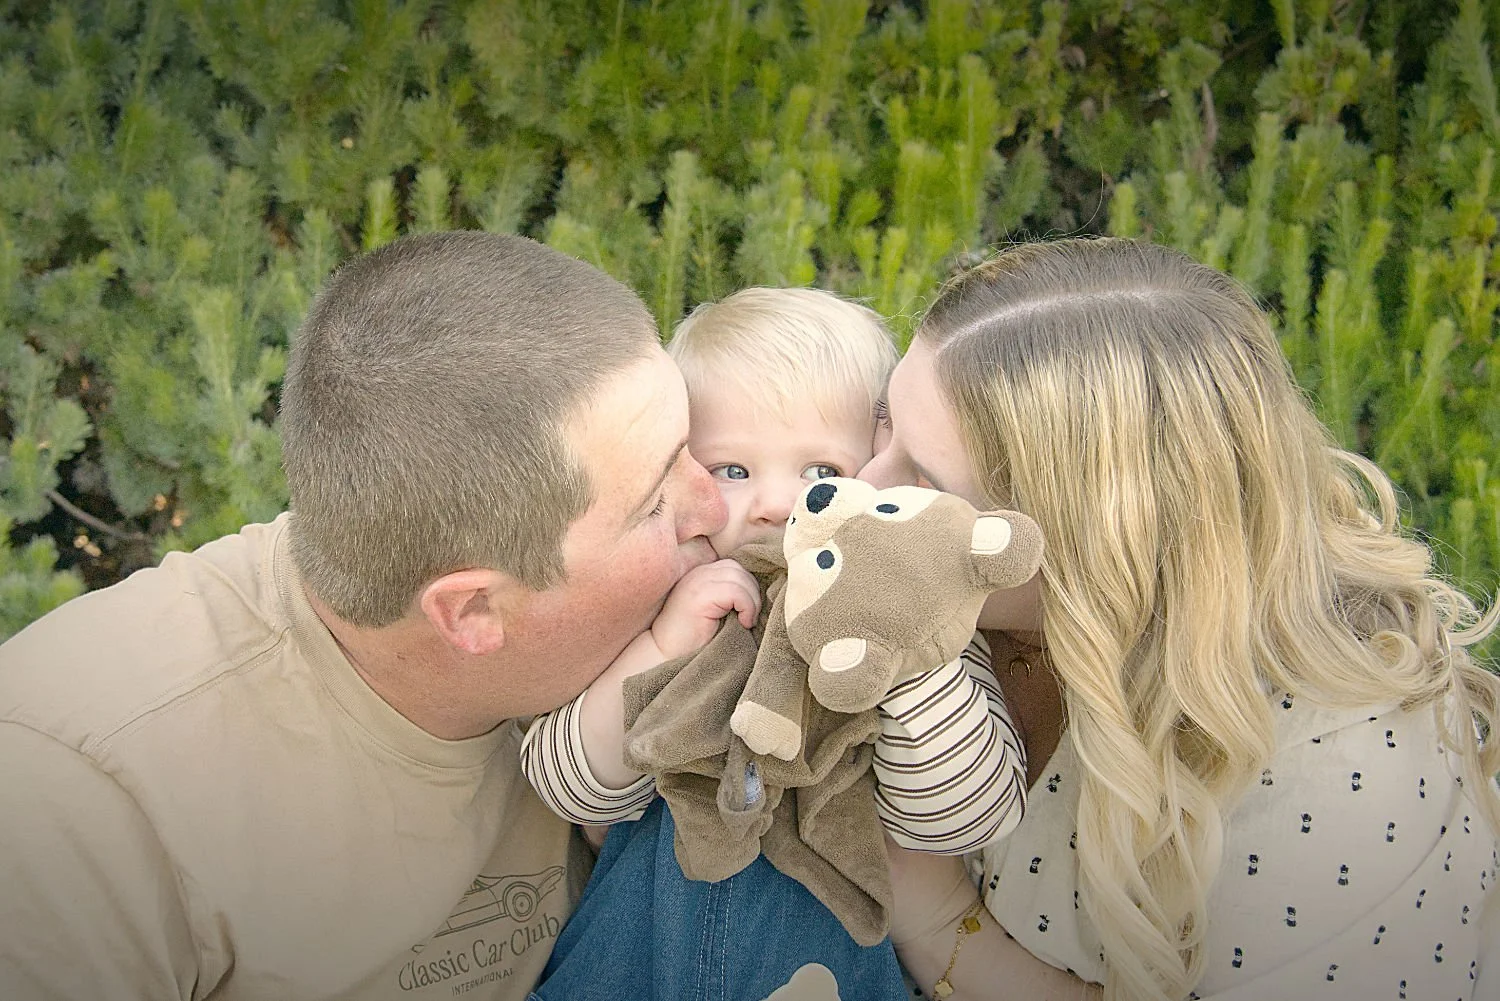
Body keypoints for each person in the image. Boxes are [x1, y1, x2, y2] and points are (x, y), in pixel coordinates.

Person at [0, 231, 729, 1000]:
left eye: (695, 447)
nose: (715, 503)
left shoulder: (638, 642)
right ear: (474, 610)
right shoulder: (77, 804)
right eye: (654, 503)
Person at [862, 236, 1500, 1001]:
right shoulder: (959, 615)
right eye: (883, 425)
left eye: (924, 477)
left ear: (1097, 540)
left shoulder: (1342, 778)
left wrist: (937, 919)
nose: (864, 486)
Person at [522, 287, 1030, 1000]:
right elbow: (565, 784)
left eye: (823, 473)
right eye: (733, 469)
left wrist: (910, 659)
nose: (777, 502)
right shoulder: (666, 606)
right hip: (634, 961)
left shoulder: (921, 630)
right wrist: (664, 646)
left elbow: (962, 818)